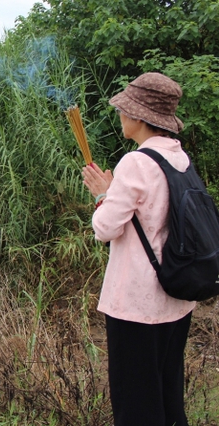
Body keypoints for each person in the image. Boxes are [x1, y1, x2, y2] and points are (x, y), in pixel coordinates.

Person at [82, 72, 196, 425]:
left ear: (138, 117)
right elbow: (151, 214)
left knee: (136, 405)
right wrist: (115, 193)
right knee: (166, 394)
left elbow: (105, 228)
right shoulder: (179, 159)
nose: (120, 115)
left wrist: (103, 194)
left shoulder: (135, 162)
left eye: (124, 109)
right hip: (177, 296)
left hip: (137, 305)